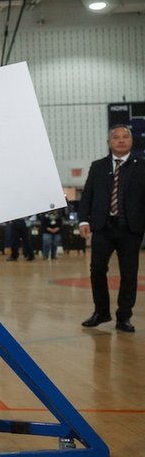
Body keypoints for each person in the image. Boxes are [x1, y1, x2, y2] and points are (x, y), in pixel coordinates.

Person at [78, 124, 144, 333]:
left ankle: (124, 317)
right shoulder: (97, 166)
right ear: (109, 142)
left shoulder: (142, 166)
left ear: (131, 141)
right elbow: (87, 195)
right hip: (102, 228)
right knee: (97, 270)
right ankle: (101, 312)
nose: (121, 140)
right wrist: (83, 221)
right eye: (116, 137)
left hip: (131, 229)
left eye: (125, 137)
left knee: (129, 274)